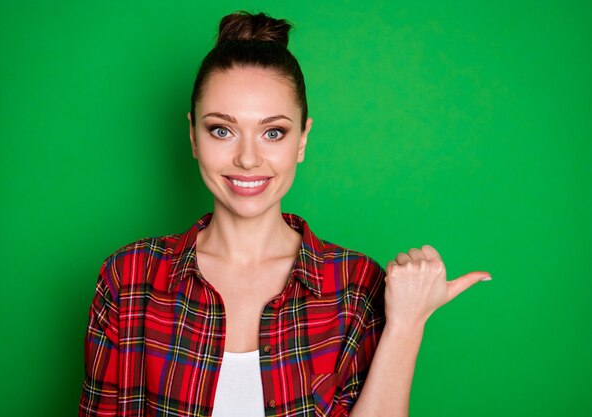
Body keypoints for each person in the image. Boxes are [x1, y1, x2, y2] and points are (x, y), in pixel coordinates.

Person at [78, 11, 490, 417]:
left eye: (273, 132)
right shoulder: (128, 278)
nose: (247, 158)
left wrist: (407, 323)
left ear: (302, 140)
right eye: (221, 129)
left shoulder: (355, 286)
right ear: (192, 136)